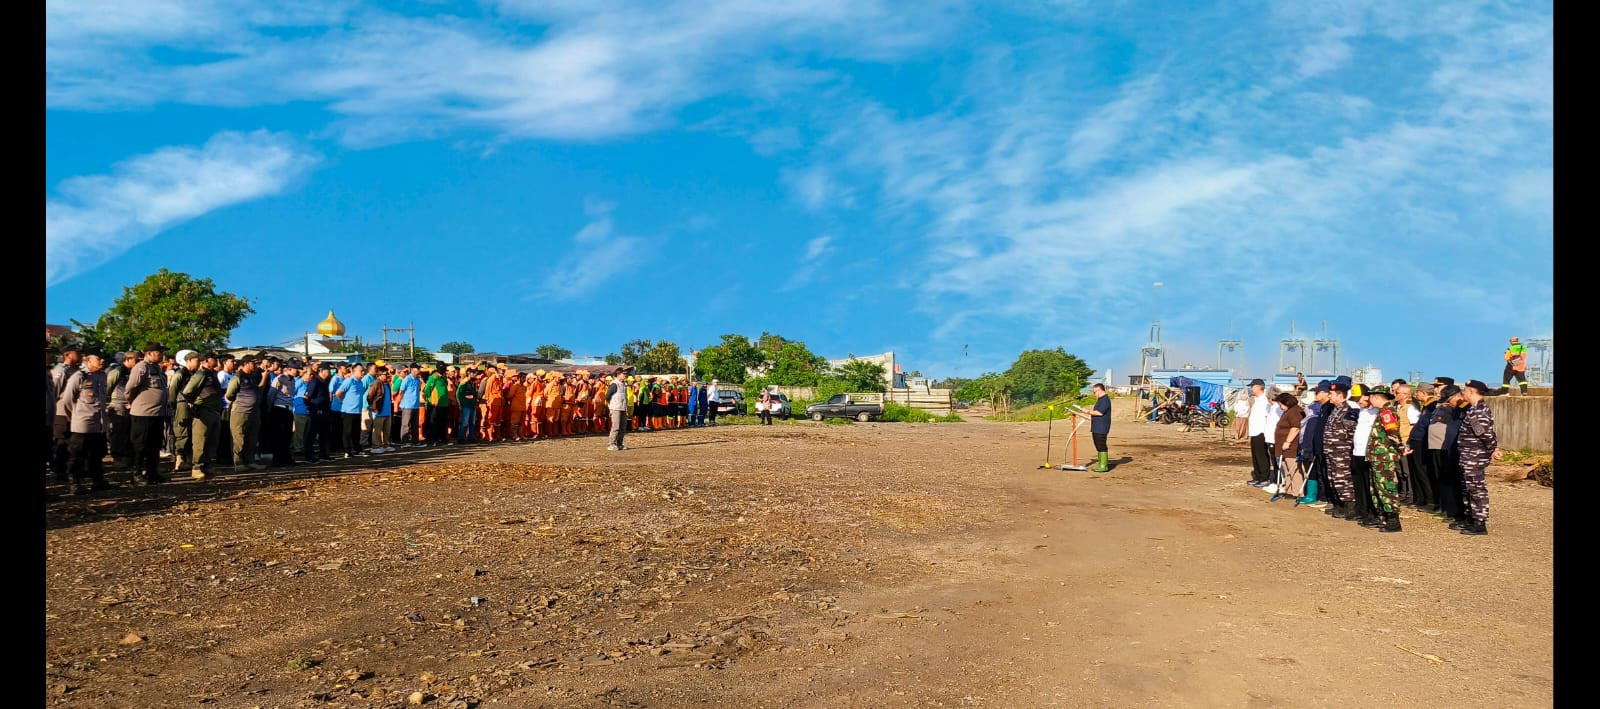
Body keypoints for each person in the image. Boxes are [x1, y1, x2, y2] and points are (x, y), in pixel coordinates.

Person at [61, 351, 114, 495]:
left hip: (99, 423)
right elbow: (67, 400)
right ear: (88, 360)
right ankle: (75, 483)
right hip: (83, 424)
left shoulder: (102, 375)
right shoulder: (79, 376)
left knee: (97, 454)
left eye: (103, 358)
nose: (102, 361)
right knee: (77, 455)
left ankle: (98, 481)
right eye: (98, 358)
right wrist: (76, 417)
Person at [1454, 380, 1502, 535]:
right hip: (1468, 455)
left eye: (1465, 391)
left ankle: (1479, 522)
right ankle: (1471, 519)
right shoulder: (1473, 409)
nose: (1463, 393)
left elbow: (1485, 434)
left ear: (1472, 392)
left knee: (1476, 489)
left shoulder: (1478, 411)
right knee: (1468, 488)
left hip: (1475, 456)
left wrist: (1493, 448)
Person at [123, 342, 171, 485]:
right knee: (140, 445)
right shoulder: (141, 367)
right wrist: (133, 401)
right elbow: (130, 388)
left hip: (157, 413)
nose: (162, 355)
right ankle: (136, 474)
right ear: (149, 354)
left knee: (155, 444)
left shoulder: (156, 368)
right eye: (159, 352)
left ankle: (152, 472)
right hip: (143, 413)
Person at [176, 350, 224, 479]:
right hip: (203, 411)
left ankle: (207, 466)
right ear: (207, 360)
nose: (217, 361)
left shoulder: (211, 374)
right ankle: (197, 467)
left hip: (214, 411)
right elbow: (187, 391)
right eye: (214, 358)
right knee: (200, 441)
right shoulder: (201, 374)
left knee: (212, 441)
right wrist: (194, 402)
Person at [1363, 386, 1404, 532]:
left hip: (1384, 457)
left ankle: (1393, 520)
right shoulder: (1382, 412)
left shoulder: (1387, 413)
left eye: (1371, 397)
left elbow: (1393, 434)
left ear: (1376, 397)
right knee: (1377, 488)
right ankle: (1384, 517)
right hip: (1377, 457)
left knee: (1386, 487)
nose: (1369, 400)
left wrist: (1400, 449)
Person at [1320, 382, 1359, 519]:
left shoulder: (1348, 411)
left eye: (1331, 394)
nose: (1329, 396)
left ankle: (1349, 506)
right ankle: (1340, 504)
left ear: (1340, 395)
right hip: (1331, 451)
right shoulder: (1335, 410)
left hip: (1342, 452)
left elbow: (1351, 432)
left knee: (1343, 479)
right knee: (1333, 478)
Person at [224, 356, 268, 472]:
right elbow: (229, 395)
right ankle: (238, 463)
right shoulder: (238, 377)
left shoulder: (252, 378)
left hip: (253, 413)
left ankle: (250, 461)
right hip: (240, 412)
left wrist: (264, 378)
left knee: (252, 438)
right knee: (239, 438)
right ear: (246, 364)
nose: (256, 365)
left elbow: (258, 390)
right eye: (254, 363)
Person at [50, 343, 84, 483]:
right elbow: (54, 392)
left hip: (74, 413)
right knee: (61, 443)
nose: (80, 356)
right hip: (62, 412)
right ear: (68, 355)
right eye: (77, 353)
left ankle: (71, 471)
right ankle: (59, 473)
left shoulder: (76, 370)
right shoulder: (61, 370)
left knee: (72, 443)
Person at [105, 351, 137, 472]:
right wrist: (108, 404)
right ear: (128, 359)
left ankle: (127, 457)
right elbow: (107, 388)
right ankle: (118, 457)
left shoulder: (133, 372)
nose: (137, 362)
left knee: (128, 432)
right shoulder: (117, 372)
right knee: (118, 432)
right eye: (135, 360)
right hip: (117, 405)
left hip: (130, 406)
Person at [1270, 392, 1304, 503]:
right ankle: (1289, 490)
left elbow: (1295, 428)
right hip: (1282, 447)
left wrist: (1287, 441)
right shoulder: (1288, 411)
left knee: (1293, 468)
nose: (1280, 407)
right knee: (1286, 468)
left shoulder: (1295, 412)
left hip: (1291, 447)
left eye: (1281, 404)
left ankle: (1298, 491)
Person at [334, 363, 367, 458]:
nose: (363, 372)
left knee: (356, 432)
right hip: (348, 411)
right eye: (361, 371)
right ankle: (347, 451)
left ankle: (358, 449)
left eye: (363, 370)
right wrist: (343, 401)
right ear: (353, 371)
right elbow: (338, 393)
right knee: (347, 432)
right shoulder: (349, 381)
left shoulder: (360, 382)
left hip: (357, 411)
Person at [1245, 379, 1275, 486]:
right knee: (1255, 456)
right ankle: (1257, 476)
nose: (1251, 389)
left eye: (1252, 387)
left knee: (1261, 456)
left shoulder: (1264, 400)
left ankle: (1264, 478)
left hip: (1261, 432)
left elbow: (1268, 416)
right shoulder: (1256, 400)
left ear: (1258, 387)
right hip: (1254, 432)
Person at [367, 366, 395, 453]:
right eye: (385, 374)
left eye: (388, 374)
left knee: (387, 430)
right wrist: (373, 407)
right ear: (379, 375)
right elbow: (370, 396)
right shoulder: (376, 384)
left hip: (387, 412)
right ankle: (375, 446)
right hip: (379, 412)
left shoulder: (387, 384)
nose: (387, 376)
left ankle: (386, 445)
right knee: (377, 431)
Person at [1087, 383, 1113, 472]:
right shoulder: (1100, 400)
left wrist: (1087, 411)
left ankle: (1103, 465)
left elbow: (1099, 412)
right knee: (1098, 445)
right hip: (1097, 426)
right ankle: (1101, 463)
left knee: (1101, 445)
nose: (1094, 394)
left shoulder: (1105, 400)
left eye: (1094, 392)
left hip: (1101, 427)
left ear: (1100, 390)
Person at [422, 367, 450, 446]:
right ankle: (432, 439)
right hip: (436, 404)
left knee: (442, 422)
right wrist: (430, 399)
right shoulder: (433, 377)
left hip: (444, 403)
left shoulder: (443, 378)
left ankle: (441, 438)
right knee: (434, 422)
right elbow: (427, 389)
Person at [397, 365, 422, 446]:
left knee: (415, 425)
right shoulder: (407, 379)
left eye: (418, 369)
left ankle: (415, 441)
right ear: (412, 370)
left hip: (416, 405)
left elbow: (418, 390)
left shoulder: (418, 380)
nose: (418, 371)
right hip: (407, 405)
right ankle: (404, 442)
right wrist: (401, 403)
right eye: (417, 369)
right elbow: (401, 392)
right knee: (406, 425)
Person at [456, 369, 480, 444]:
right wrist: (460, 404)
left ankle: (471, 437)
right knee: (464, 422)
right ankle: (461, 438)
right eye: (474, 374)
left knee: (472, 422)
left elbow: (475, 394)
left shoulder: (473, 383)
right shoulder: (463, 383)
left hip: (472, 405)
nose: (475, 375)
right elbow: (458, 394)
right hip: (466, 405)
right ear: (469, 374)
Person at [607, 374, 629, 450]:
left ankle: (619, 444)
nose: (625, 376)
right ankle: (611, 444)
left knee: (623, 426)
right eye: (623, 374)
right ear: (618, 375)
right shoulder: (614, 384)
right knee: (616, 426)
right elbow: (607, 396)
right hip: (615, 408)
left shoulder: (624, 384)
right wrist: (610, 407)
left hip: (623, 407)